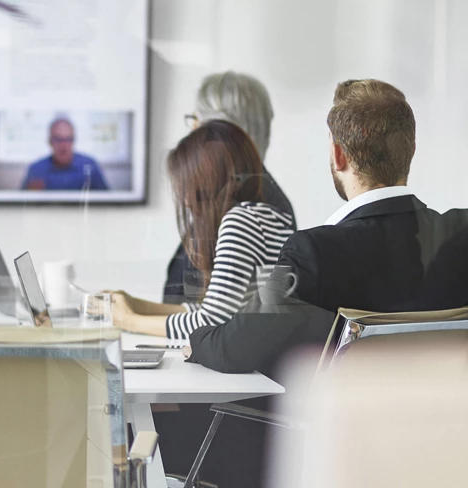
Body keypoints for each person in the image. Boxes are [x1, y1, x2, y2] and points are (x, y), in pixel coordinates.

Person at [178, 80, 468, 487]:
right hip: (437, 461)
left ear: (337, 155)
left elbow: (236, 346)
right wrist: (442, 393)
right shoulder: (466, 234)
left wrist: (199, 339)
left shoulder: (311, 251)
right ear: (410, 151)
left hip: (338, 464)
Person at [109, 120, 295, 339]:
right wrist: (136, 305)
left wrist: (128, 321)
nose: (187, 201)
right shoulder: (268, 216)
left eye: (191, 188)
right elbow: (218, 310)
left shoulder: (241, 220)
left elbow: (212, 322)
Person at [164, 71, 296, 304]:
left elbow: (210, 316)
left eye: (197, 122)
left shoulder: (247, 206)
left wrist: (131, 318)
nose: (192, 131)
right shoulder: (248, 192)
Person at [20, 116, 109, 190]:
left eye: (68, 139)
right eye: (58, 139)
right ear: (50, 141)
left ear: (74, 141)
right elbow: (19, 205)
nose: (63, 146)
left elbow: (108, 202)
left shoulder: (89, 165)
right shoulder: (36, 169)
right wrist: (30, 196)